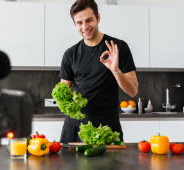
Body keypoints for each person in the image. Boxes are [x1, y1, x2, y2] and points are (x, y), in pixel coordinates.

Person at [59, 0, 138, 143]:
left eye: (89, 20)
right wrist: (64, 102)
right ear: (75, 24)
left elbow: (133, 91)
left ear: (98, 18)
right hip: (75, 128)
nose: (85, 26)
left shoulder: (118, 48)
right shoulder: (70, 54)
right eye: (79, 22)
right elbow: (63, 94)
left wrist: (115, 71)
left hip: (107, 127)